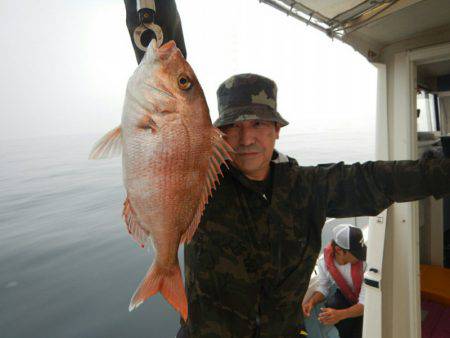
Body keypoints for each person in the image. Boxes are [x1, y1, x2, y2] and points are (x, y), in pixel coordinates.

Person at [123, 3, 450, 337]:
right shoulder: (202, 182)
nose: (246, 137)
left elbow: (377, 179)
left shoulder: (310, 187)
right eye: (233, 126)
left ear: (277, 130)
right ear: (216, 133)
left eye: (259, 124)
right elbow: (166, 86)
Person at [303, 224, 367, 338]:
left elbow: (365, 304)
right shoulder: (324, 262)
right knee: (332, 304)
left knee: (359, 328)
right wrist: (311, 302)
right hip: (348, 297)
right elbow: (323, 288)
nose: (362, 256)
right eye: (356, 253)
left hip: (363, 303)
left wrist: (339, 315)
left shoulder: (365, 264)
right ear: (339, 250)